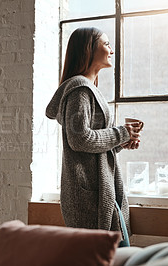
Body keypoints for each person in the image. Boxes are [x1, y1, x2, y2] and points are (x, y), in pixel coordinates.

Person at [45, 27, 142, 247]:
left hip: (100, 188)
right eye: (106, 44)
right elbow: (79, 140)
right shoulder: (80, 90)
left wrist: (120, 142)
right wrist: (121, 133)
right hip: (90, 195)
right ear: (88, 48)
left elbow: (90, 143)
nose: (111, 50)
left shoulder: (89, 89)